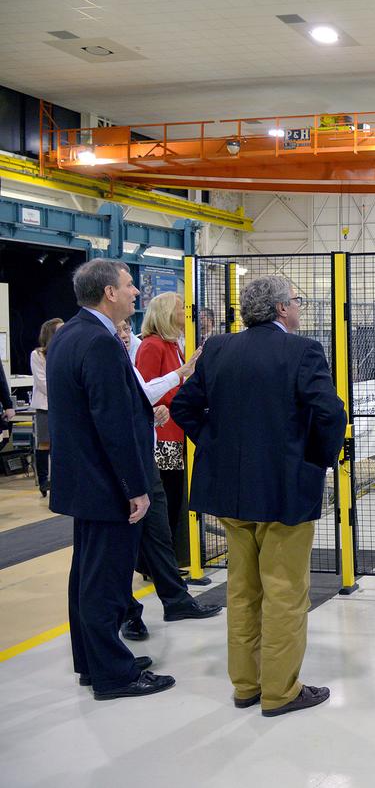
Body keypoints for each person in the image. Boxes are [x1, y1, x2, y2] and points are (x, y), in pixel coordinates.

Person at [172, 276, 345, 717]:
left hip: (231, 494)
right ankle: (281, 692)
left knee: (242, 591)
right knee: (285, 591)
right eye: (298, 301)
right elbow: (330, 413)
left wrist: (215, 447)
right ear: (284, 308)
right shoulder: (302, 350)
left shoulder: (218, 349)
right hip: (284, 494)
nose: (300, 308)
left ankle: (246, 685)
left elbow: (184, 407)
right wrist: (315, 461)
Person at [46, 258, 174, 700]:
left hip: (84, 481)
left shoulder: (70, 335)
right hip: (106, 484)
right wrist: (135, 488)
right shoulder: (99, 343)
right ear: (109, 293)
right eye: (129, 285)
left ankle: (93, 661)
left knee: (87, 575)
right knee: (105, 582)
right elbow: (111, 424)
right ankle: (114, 675)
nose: (137, 292)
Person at [117, 316, 219, 642]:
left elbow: (141, 395)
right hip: (127, 459)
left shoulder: (138, 351)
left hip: (148, 450)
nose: (123, 334)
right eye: (118, 328)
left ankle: (176, 599)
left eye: (124, 329)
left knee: (160, 529)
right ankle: (127, 612)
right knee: (124, 539)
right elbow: (134, 399)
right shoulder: (147, 347)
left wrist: (152, 412)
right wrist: (181, 373)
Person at [136, 292, 199, 576]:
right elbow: (147, 390)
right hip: (164, 437)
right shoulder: (152, 346)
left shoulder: (173, 346)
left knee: (174, 499)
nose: (185, 313)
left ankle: (167, 558)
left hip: (177, 432)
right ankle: (155, 562)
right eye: (180, 309)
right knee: (167, 499)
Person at [30, 318, 62, 497]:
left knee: (61, 444)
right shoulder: (38, 355)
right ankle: (44, 481)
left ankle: (59, 479)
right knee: (44, 443)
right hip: (45, 406)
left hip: (63, 407)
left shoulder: (64, 351)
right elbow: (42, 382)